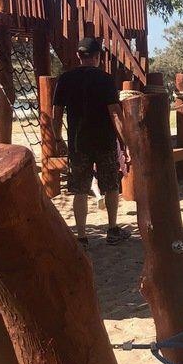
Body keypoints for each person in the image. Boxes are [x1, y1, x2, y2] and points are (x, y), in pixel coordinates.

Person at [54, 36, 129, 246]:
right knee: (111, 186)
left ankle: (82, 237)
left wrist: (57, 137)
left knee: (79, 190)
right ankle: (112, 229)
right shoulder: (105, 79)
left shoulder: (65, 79)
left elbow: (56, 113)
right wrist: (125, 142)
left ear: (79, 56)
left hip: (78, 143)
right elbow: (115, 114)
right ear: (98, 57)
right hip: (104, 141)